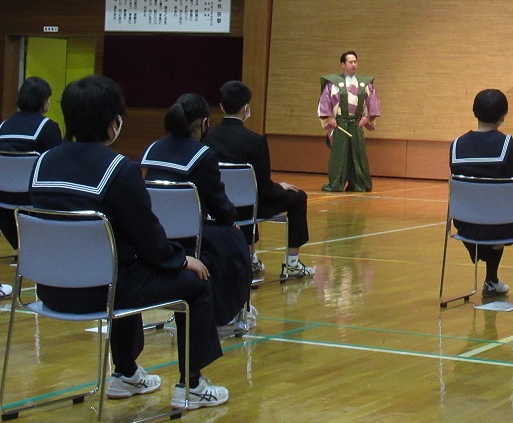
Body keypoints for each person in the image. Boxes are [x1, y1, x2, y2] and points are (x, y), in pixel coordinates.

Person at [28, 75, 228, 409]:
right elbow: (149, 238)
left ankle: (126, 373)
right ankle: (191, 385)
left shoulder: (42, 164)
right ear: (112, 123)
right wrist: (181, 260)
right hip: (103, 291)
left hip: (49, 291)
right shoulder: (119, 170)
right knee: (195, 281)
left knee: (124, 266)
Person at [141, 94, 253, 333]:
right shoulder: (203, 155)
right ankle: (227, 314)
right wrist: (231, 221)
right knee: (234, 242)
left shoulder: (153, 149)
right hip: (192, 238)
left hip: (156, 236)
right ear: (204, 123)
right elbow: (218, 203)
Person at [203, 80, 314, 281]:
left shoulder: (207, 138)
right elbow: (264, 188)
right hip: (249, 207)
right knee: (298, 197)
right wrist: (280, 187)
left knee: (242, 198)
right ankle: (292, 264)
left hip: (218, 206)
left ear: (221, 107)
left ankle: (251, 257)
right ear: (246, 108)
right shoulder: (256, 140)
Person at [449, 89, 513, 304]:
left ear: (474, 111)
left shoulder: (456, 146)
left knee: (497, 221)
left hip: (467, 225)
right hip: (504, 224)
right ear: (504, 115)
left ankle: (491, 281)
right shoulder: (509, 147)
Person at [0, 76, 64, 249]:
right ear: (43, 101)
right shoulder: (47, 127)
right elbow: (57, 166)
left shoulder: (3, 127)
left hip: (3, 204)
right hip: (34, 203)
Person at [317, 51, 381, 192]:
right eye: (350, 62)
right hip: (340, 124)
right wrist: (330, 117)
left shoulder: (365, 83)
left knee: (357, 154)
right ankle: (336, 183)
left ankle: (358, 183)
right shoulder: (332, 83)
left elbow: (373, 103)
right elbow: (325, 101)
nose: (354, 64)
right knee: (339, 155)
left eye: (355, 62)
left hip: (356, 123)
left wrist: (367, 117)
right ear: (343, 64)